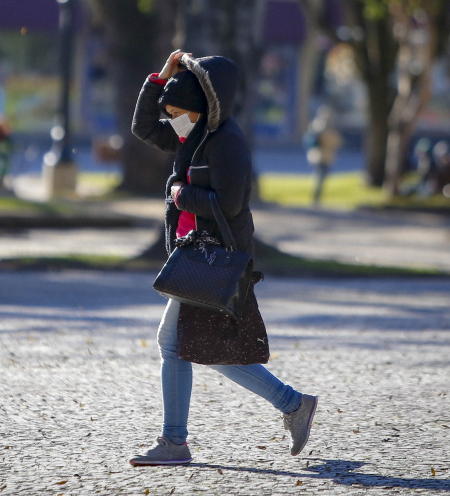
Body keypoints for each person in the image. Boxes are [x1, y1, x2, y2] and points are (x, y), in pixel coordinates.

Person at [128, 50, 318, 466]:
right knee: (194, 346)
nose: (171, 116)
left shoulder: (226, 142)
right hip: (193, 255)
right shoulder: (190, 133)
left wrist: (181, 194)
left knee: (179, 345)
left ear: (200, 107)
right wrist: (160, 79)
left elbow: (229, 203)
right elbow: (143, 127)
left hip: (214, 259)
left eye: (177, 109)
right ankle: (292, 405)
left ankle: (176, 443)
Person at [304, 105, 342, 205]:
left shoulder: (316, 125)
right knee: (320, 176)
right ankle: (316, 197)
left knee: (320, 176)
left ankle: (316, 197)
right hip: (321, 156)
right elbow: (334, 141)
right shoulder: (324, 127)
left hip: (319, 156)